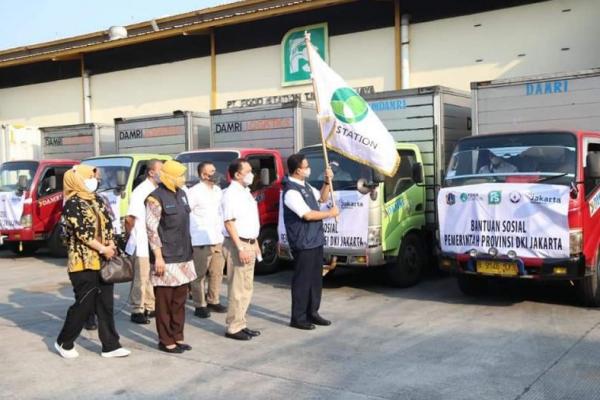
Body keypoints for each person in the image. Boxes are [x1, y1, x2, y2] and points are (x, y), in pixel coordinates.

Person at [55, 164, 131, 359]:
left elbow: (108, 224)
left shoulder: (98, 199)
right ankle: (64, 341)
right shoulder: (72, 204)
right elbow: (83, 234)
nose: (95, 180)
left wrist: (112, 244)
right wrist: (103, 248)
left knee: (106, 304)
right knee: (85, 303)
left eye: (95, 177)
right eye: (90, 176)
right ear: (78, 179)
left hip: (104, 260)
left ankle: (110, 345)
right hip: (83, 262)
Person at [146, 160, 197, 354]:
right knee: (165, 303)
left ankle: (177, 336)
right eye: (179, 175)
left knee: (179, 302)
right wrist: (158, 257)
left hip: (184, 255)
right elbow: (152, 230)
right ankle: (165, 340)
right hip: (165, 257)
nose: (183, 179)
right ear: (169, 176)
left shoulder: (182, 194)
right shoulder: (155, 198)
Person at [283, 153, 339, 330]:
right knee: (303, 280)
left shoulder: (305, 186)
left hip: (315, 239)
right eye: (306, 166)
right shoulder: (291, 191)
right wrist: (330, 214)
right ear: (298, 170)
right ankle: (298, 317)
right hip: (303, 241)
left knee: (316, 279)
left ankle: (313, 312)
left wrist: (326, 182)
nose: (308, 169)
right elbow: (307, 215)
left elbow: (321, 198)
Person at [221, 158, 262, 340]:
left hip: (250, 242)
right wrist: (240, 248)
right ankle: (233, 327)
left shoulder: (245, 192)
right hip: (239, 244)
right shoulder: (231, 194)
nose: (252, 174)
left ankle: (241, 322)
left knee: (247, 287)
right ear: (238, 174)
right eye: (248, 171)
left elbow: (250, 221)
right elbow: (229, 223)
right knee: (237, 288)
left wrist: (256, 244)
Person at [187, 161, 227, 319]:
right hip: (201, 239)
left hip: (217, 237)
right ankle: (200, 304)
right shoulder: (194, 192)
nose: (216, 173)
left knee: (216, 272)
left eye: (215, 170)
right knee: (199, 274)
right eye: (212, 171)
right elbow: (186, 213)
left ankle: (213, 300)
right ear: (204, 175)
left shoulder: (218, 190)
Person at [125, 159, 163, 324]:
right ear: (151, 172)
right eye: (161, 170)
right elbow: (129, 219)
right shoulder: (140, 191)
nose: (164, 173)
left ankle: (150, 305)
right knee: (140, 277)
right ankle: (137, 309)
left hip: (153, 239)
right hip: (140, 239)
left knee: (150, 276)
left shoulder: (157, 189)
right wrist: (130, 236)